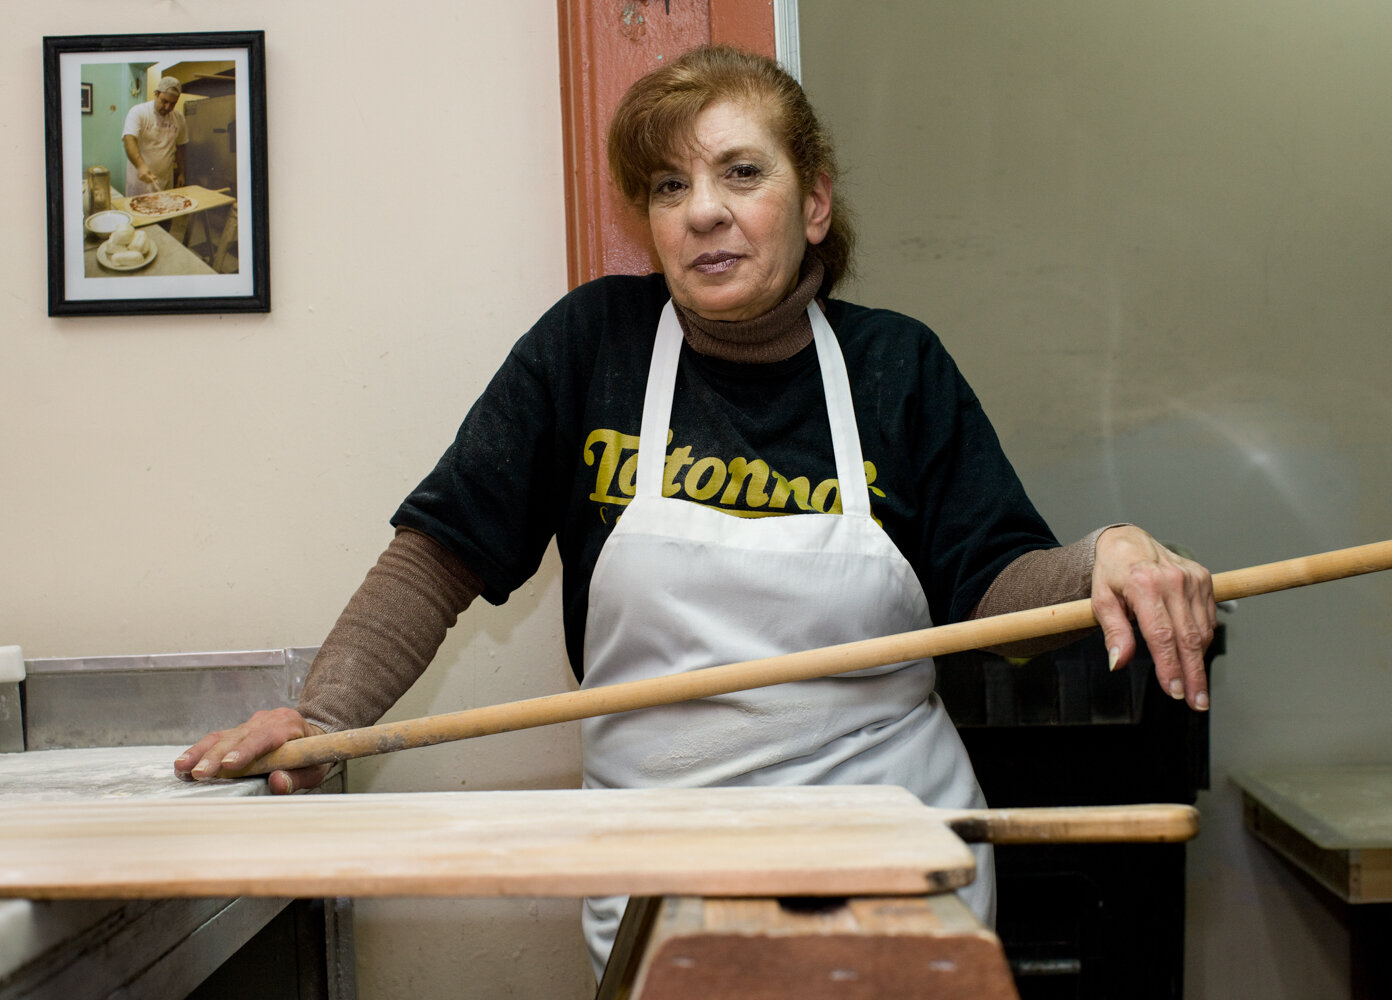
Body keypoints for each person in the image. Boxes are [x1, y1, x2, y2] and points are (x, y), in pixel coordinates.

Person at [175, 45, 1216, 976]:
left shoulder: (898, 365)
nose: (702, 209)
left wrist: (1100, 559)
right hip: (659, 873)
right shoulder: (592, 348)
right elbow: (438, 553)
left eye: (741, 172)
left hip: (895, 855)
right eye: (669, 185)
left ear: (814, 203)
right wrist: (322, 719)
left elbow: (998, 589)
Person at [122, 77, 187, 195]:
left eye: (172, 104)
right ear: (156, 94)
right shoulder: (138, 112)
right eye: (164, 101)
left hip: (165, 182)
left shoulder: (179, 118)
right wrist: (141, 166)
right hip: (140, 182)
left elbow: (180, 146)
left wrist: (182, 172)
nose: (167, 107)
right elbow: (129, 139)